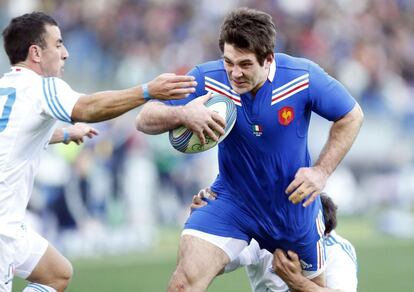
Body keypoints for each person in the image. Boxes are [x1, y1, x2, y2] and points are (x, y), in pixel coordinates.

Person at [136, 7, 363, 291]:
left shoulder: (302, 77)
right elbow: (144, 118)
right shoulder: (208, 78)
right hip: (233, 201)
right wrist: (182, 115)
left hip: (292, 207)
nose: (234, 72)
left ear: (268, 59)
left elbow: (352, 115)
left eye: (244, 64)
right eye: (228, 62)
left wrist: (321, 171)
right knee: (183, 283)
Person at [0, 11, 196, 292]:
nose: (65, 53)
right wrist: (147, 91)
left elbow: (14, 136)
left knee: (57, 274)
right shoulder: (41, 87)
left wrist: (65, 134)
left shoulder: (6, 87)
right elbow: (88, 108)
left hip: (10, 224)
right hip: (3, 227)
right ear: (36, 53)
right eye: (57, 44)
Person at [191, 190, 358, 291]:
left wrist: (296, 282)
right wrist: (204, 229)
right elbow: (214, 265)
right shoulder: (269, 234)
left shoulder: (338, 250)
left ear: (325, 234)